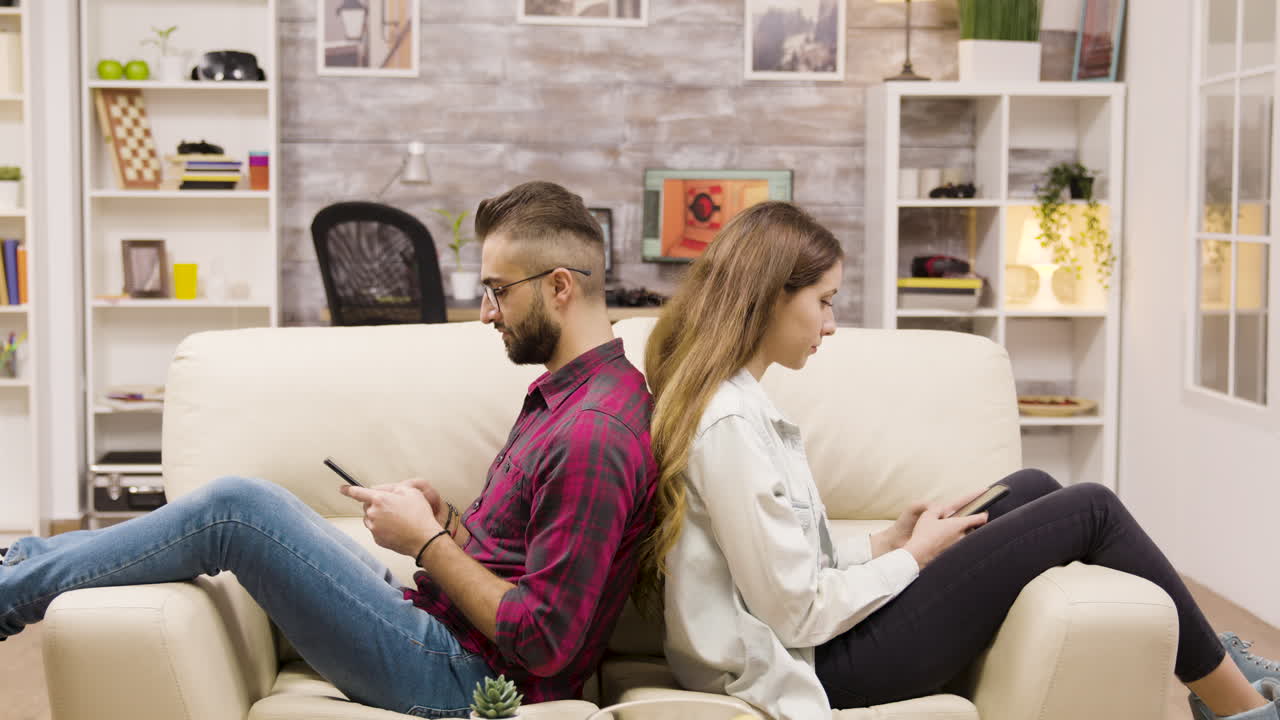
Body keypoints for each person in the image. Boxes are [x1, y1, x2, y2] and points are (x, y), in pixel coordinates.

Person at [0, 181, 658, 718]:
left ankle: (10, 590)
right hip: (445, 628)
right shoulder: (566, 396)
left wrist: (427, 545)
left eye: (498, 290)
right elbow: (527, 559)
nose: (487, 312)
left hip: (467, 677)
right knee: (268, 507)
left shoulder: (595, 432)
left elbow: (544, 640)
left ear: (560, 286)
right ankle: (20, 562)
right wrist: (447, 524)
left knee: (238, 511)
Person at [643, 200, 1280, 720]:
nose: (831, 325)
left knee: (1031, 484)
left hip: (811, 643)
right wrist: (912, 556)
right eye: (824, 301)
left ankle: (1218, 664)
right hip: (813, 666)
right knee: (1094, 509)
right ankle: (1239, 704)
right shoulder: (728, 423)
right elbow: (796, 611)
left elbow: (785, 565)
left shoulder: (742, 404)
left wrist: (886, 540)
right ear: (771, 298)